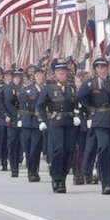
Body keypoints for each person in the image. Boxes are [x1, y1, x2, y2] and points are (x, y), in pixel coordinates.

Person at [36, 59, 81, 193]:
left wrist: (77, 116)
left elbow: (77, 104)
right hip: (55, 123)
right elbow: (40, 106)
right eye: (58, 71)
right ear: (55, 74)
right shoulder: (49, 88)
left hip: (69, 123)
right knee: (58, 150)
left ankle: (63, 178)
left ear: (67, 73)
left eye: (63, 71)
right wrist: (43, 120)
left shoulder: (72, 88)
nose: (61, 73)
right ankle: (56, 177)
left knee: (68, 151)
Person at [77, 57, 110, 195]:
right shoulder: (91, 83)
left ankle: (107, 176)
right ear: (95, 69)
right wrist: (89, 109)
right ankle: (106, 182)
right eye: (99, 67)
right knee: (104, 147)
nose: (101, 70)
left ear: (107, 67)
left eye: (104, 67)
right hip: (99, 119)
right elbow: (80, 96)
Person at [19, 66, 46, 182]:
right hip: (27, 121)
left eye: (42, 75)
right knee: (28, 147)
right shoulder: (27, 89)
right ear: (34, 77)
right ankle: (31, 170)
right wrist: (20, 118)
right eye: (38, 75)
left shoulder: (46, 89)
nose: (40, 78)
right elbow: (22, 105)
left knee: (36, 148)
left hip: (38, 123)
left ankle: (34, 171)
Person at [3, 68, 25, 177]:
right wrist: (16, 114)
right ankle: (13, 166)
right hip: (12, 119)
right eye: (15, 77)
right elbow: (7, 103)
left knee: (20, 143)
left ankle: (19, 161)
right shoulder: (8, 89)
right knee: (12, 143)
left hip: (22, 119)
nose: (17, 79)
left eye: (19, 77)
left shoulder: (24, 88)